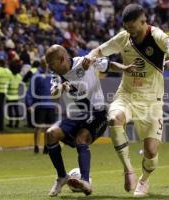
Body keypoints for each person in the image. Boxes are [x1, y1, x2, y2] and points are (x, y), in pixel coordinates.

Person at [86, 4, 169, 197]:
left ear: (143, 21)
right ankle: (128, 170)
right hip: (127, 95)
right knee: (114, 119)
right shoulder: (124, 37)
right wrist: (90, 57)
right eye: (126, 27)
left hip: (152, 101)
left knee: (150, 150)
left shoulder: (158, 37)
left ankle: (144, 180)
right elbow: (100, 50)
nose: (129, 31)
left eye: (132, 27)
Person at [45, 44, 135, 197]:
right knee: (50, 134)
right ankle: (62, 177)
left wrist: (125, 68)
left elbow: (109, 65)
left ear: (61, 59)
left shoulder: (85, 61)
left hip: (97, 114)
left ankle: (85, 181)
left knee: (81, 139)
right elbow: (53, 93)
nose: (50, 67)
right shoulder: (56, 74)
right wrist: (61, 88)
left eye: (51, 64)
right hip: (75, 117)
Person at [26, 57, 55, 154]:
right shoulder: (36, 75)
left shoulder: (52, 75)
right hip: (40, 104)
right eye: (46, 63)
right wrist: (29, 104)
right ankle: (37, 146)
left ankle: (47, 146)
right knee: (39, 127)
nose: (48, 65)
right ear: (42, 64)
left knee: (49, 128)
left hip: (50, 105)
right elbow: (30, 90)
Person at [6, 59, 22, 128]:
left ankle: (11, 123)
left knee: (10, 110)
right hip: (16, 95)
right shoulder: (19, 76)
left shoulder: (9, 76)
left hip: (9, 95)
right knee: (16, 110)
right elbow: (19, 85)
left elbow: (7, 85)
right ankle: (17, 123)